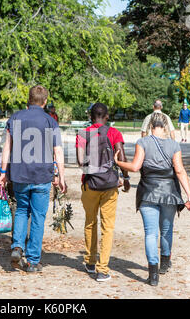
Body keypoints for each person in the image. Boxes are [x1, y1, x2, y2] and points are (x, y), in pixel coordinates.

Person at [115, 112, 190, 287]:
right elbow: (180, 171)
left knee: (150, 233)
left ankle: (153, 274)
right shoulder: (174, 145)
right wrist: (189, 195)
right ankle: (165, 264)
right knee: (166, 229)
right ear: (165, 127)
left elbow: (135, 167)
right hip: (169, 192)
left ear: (151, 126)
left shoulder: (142, 142)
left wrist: (119, 163)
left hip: (147, 191)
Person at [0, 85, 66, 272]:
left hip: (19, 175)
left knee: (21, 211)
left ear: (29, 100)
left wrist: (3, 173)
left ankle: (17, 246)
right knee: (37, 217)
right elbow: (57, 151)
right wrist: (61, 176)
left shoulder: (15, 118)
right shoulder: (50, 121)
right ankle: (33, 260)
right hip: (42, 176)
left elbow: (7, 148)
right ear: (45, 101)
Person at [76, 103, 130, 282]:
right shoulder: (114, 133)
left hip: (90, 184)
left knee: (90, 222)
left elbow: (79, 161)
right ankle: (103, 269)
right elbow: (121, 156)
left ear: (91, 117)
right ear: (106, 116)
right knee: (108, 226)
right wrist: (126, 177)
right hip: (109, 185)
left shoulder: (83, 133)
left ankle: (90, 262)